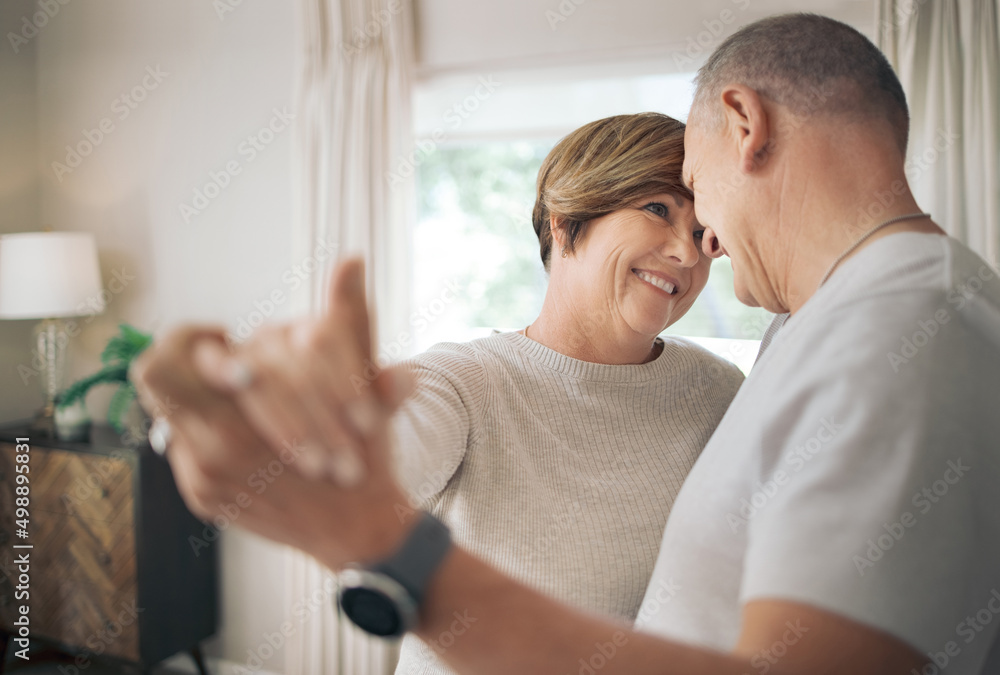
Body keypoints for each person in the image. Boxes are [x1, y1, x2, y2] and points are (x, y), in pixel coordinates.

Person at [132, 12, 1000, 675]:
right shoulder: (474, 379)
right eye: (666, 203)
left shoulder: (883, 337)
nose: (702, 246)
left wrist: (401, 558)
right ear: (566, 220)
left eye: (699, 210)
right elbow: (386, 440)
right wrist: (283, 432)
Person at [379, 112, 745, 673]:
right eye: (657, 209)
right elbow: (382, 464)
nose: (687, 254)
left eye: (701, 233)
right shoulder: (462, 381)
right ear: (565, 222)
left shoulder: (719, 392)